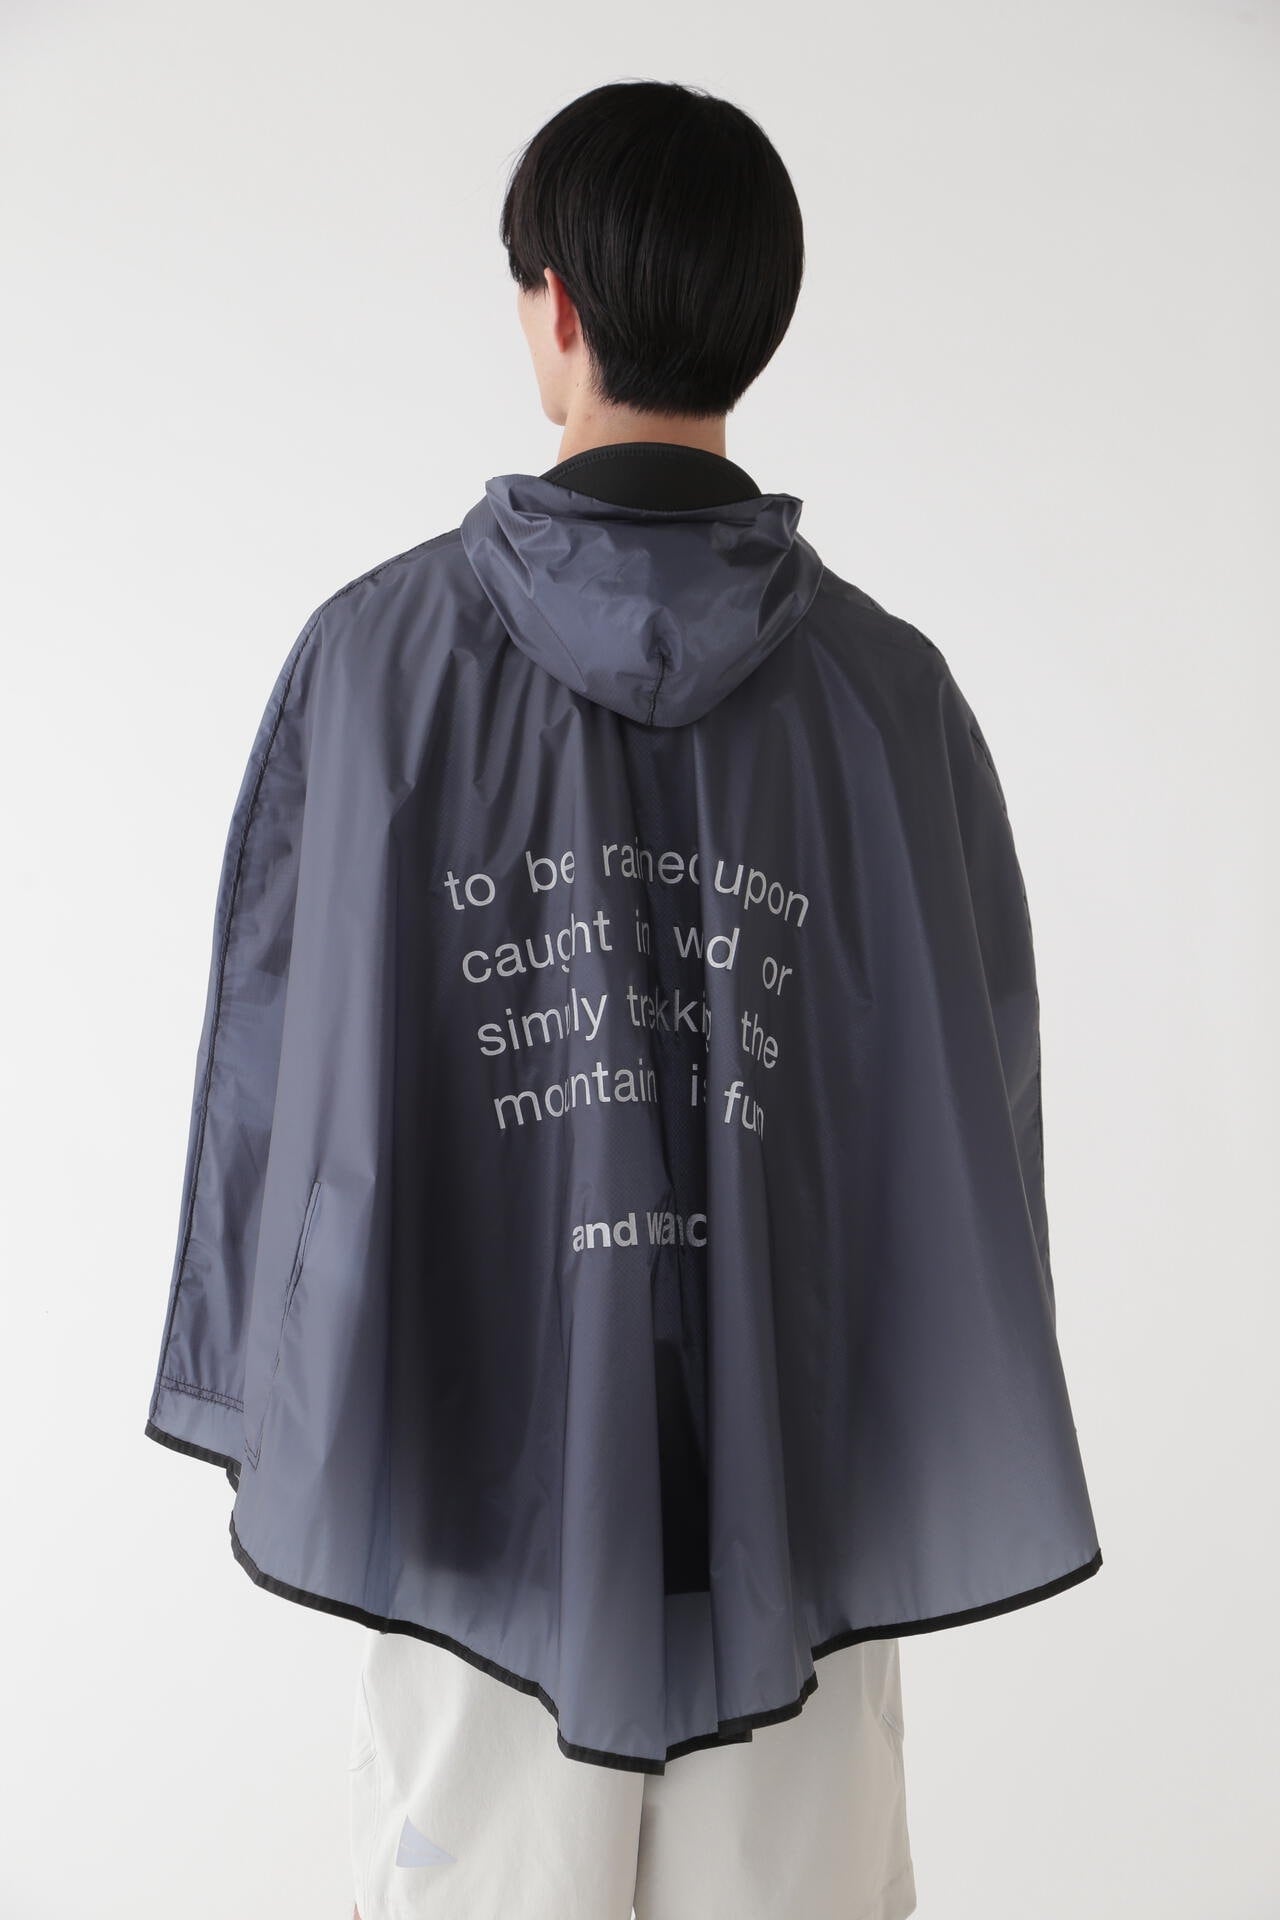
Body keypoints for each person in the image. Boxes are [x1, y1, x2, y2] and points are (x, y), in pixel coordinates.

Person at [145, 78, 1101, 1920]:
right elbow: (975, 1121)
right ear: (757, 316)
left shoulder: (373, 667)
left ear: (557, 307)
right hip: (795, 1523)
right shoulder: (892, 700)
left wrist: (278, 1386)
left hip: (470, 1511)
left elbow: (277, 1064)